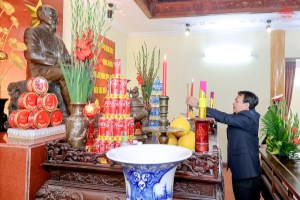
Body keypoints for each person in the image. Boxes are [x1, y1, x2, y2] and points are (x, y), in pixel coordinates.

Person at [186, 91, 261, 200]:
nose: (233, 103)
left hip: (246, 174)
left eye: (236, 101)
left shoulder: (248, 117)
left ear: (246, 105)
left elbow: (224, 117)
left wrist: (199, 104)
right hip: (244, 172)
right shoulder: (245, 116)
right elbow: (224, 117)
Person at [24, 4, 71, 115]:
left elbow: (67, 58)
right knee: (66, 73)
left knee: (84, 75)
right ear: (41, 15)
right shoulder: (33, 32)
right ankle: (74, 112)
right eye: (52, 14)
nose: (55, 18)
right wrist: (57, 60)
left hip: (55, 70)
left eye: (56, 15)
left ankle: (87, 111)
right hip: (39, 71)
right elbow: (31, 54)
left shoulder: (59, 40)